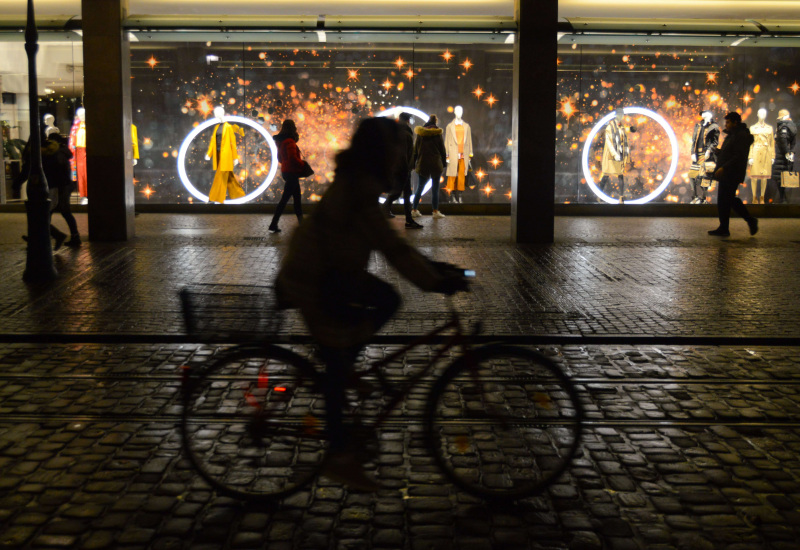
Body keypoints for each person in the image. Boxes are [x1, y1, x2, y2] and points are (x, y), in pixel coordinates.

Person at [275, 117, 468, 491]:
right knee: (343, 348)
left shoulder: (359, 183)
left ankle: (344, 366)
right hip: (314, 281)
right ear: (380, 152)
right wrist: (433, 279)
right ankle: (340, 456)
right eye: (396, 148)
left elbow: (393, 246)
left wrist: (434, 268)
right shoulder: (360, 191)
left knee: (381, 303)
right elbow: (392, 248)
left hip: (331, 274)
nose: (401, 155)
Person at [17, 129, 81, 249]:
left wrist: (18, 183)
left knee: (44, 214)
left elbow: (28, 170)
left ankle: (50, 237)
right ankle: (41, 237)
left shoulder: (40, 153)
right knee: (49, 213)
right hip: (58, 186)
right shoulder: (54, 151)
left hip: (54, 187)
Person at [709, 112, 758, 237]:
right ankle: (724, 227)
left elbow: (738, 156)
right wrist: (719, 152)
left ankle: (749, 220)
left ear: (735, 122)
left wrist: (724, 168)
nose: (726, 125)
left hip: (732, 173)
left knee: (728, 199)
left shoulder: (740, 136)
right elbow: (730, 153)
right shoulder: (732, 135)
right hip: (727, 172)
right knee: (724, 200)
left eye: (728, 122)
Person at [383, 112, 423, 229]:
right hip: (403, 168)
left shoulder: (396, 132)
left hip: (399, 167)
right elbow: (404, 153)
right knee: (401, 192)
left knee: (403, 193)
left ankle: (407, 218)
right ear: (407, 120)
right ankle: (407, 219)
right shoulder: (405, 133)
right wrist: (407, 167)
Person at [269, 120, 305, 233]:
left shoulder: (282, 142)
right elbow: (293, 158)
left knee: (297, 199)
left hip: (287, 171)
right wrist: (303, 165)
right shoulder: (289, 142)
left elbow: (280, 158)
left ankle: (301, 224)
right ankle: (273, 224)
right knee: (285, 200)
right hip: (292, 173)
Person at [411, 115, 447, 219]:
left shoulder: (420, 134)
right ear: (435, 122)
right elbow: (442, 150)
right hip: (435, 164)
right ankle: (435, 211)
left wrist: (414, 164)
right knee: (435, 189)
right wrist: (443, 164)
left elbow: (415, 151)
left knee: (419, 188)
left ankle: (414, 210)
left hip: (423, 164)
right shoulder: (437, 134)